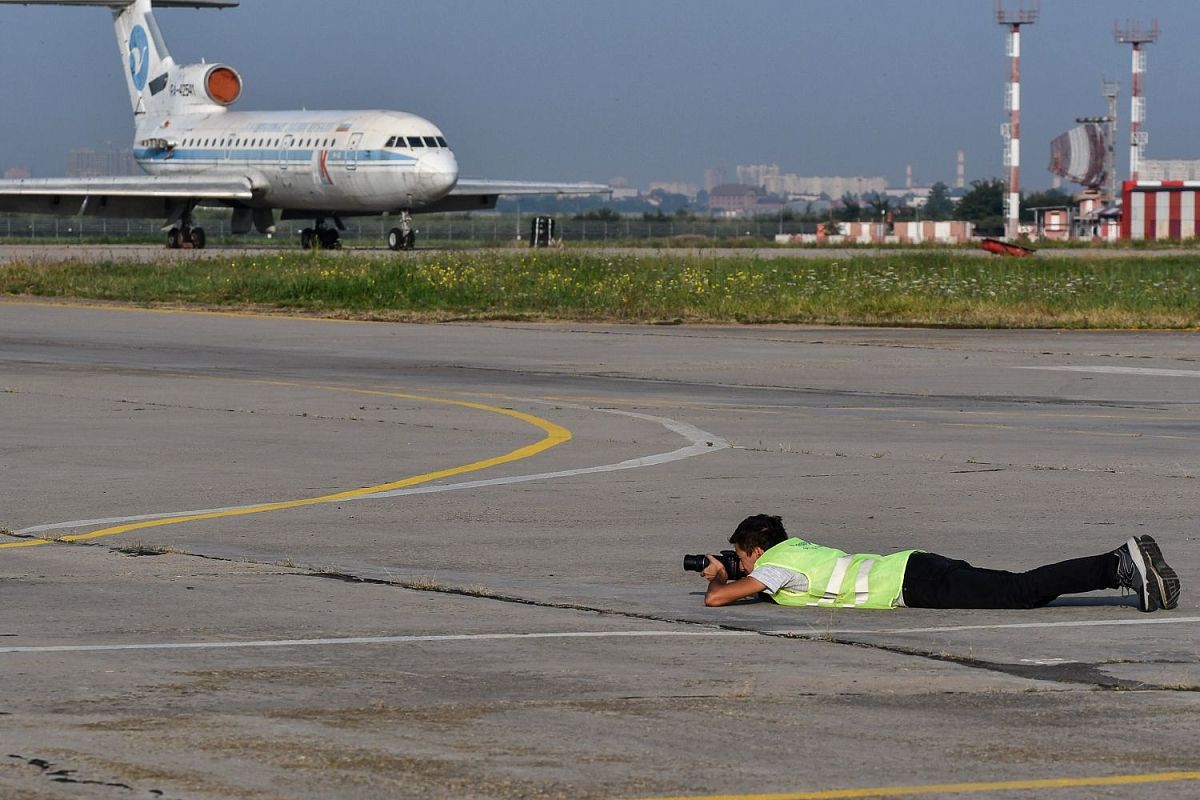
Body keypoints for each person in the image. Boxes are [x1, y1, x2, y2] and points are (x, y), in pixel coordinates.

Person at [699, 514, 1181, 613]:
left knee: (1020, 592)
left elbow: (718, 599)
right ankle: (1122, 568)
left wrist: (721, 576)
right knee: (1017, 588)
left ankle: (1117, 564)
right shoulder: (796, 548)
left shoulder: (775, 568)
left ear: (754, 552)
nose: (739, 565)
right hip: (917, 566)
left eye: (740, 557)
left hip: (913, 585)